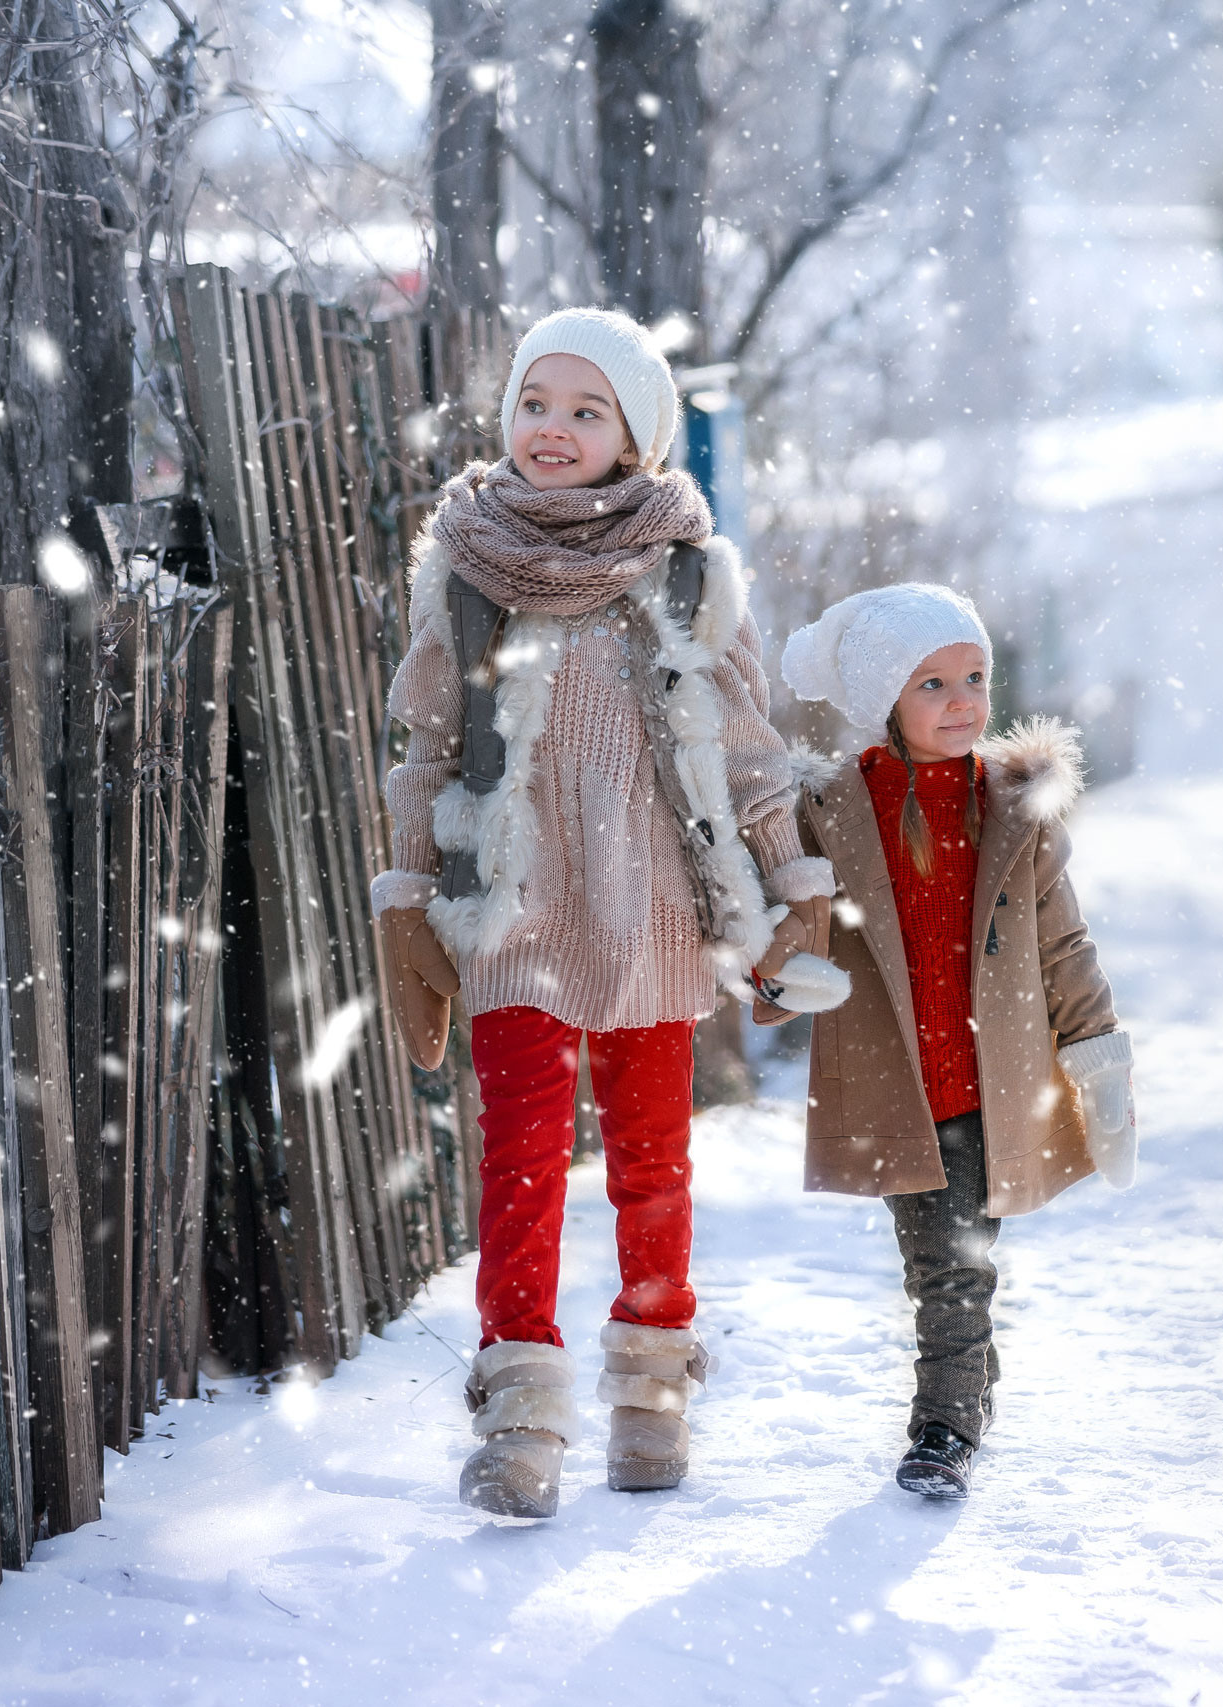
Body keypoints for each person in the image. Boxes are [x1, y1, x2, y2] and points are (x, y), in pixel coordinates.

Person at [372, 308, 835, 1519]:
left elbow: (746, 753)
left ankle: (650, 1391)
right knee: (521, 1161)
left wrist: (795, 886)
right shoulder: (466, 568)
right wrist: (406, 901)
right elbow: (423, 753)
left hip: (653, 915)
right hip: (511, 918)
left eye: (587, 411)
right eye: (535, 403)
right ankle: (521, 1411)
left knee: (650, 1163)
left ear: (634, 438)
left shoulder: (686, 570)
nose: (553, 428)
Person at [769, 583, 1137, 1499]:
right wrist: (775, 971)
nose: (962, 700)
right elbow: (784, 921)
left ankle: (944, 1425)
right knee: (942, 1264)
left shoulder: (1014, 809)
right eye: (931, 683)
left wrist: (1098, 1054)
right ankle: (964, 1391)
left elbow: (1064, 944)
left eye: (974, 677)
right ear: (883, 700)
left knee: (955, 1266)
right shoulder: (832, 810)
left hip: (987, 1082)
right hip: (898, 1083)